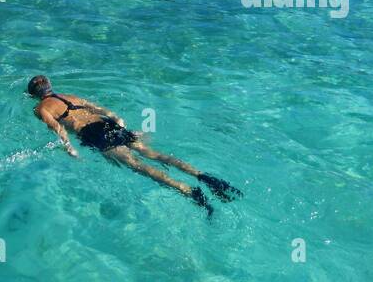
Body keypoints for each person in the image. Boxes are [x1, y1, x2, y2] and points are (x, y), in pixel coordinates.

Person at [26, 76, 242, 217]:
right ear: (50, 87)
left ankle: (187, 190)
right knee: (154, 154)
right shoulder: (68, 96)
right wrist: (119, 121)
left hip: (94, 134)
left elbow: (57, 128)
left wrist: (69, 148)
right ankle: (204, 176)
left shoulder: (40, 108)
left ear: (33, 95)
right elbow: (102, 109)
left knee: (137, 165)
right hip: (107, 124)